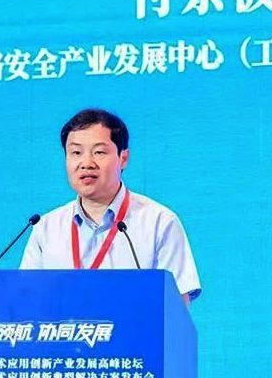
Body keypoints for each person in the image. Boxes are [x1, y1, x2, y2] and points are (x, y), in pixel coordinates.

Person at [20, 108, 201, 306]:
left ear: (123, 158)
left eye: (99, 152)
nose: (86, 163)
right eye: (76, 153)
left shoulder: (159, 222)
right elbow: (26, 303)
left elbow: (176, 308)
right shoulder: (46, 228)